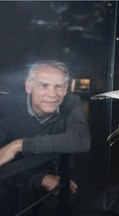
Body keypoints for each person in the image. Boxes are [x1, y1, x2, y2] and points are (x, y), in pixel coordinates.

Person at [0, 60, 91, 215]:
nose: (52, 94)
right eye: (43, 85)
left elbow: (82, 140)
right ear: (28, 87)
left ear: (65, 90)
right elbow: (3, 161)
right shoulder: (6, 107)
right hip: (13, 183)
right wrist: (41, 179)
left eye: (58, 86)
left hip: (58, 178)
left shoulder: (70, 101)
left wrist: (19, 145)